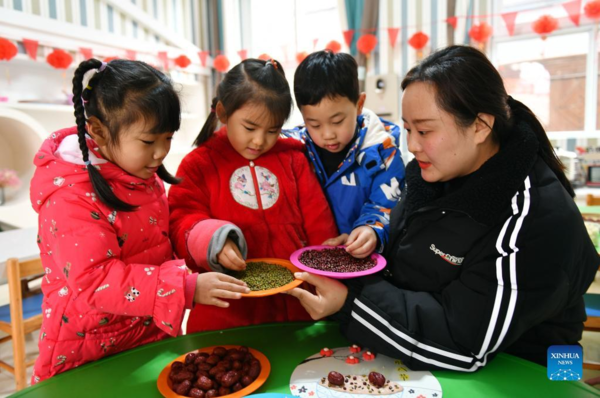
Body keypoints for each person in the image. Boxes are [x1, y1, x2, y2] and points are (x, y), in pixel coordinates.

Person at [286, 45, 599, 370]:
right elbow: (405, 268)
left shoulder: (534, 217)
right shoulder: (432, 174)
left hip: (531, 371)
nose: (412, 145)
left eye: (424, 130)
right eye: (407, 129)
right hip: (417, 353)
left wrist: (351, 303)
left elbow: (467, 344)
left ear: (480, 126)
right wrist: (352, 264)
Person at [30, 59, 248, 383]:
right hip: (85, 355)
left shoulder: (140, 174)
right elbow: (94, 280)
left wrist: (209, 240)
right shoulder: (69, 198)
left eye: (168, 138)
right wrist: (183, 288)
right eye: (149, 141)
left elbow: (160, 240)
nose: (161, 152)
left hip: (147, 342)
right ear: (99, 132)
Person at [168, 58, 338, 333]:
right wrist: (214, 241)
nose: (260, 141)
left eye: (272, 130)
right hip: (227, 311)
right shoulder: (199, 164)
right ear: (222, 112)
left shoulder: (293, 160)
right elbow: (180, 220)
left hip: (295, 307)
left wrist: (328, 278)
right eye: (249, 128)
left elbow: (319, 222)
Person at [285, 51, 406, 258]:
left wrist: (370, 231)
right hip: (310, 259)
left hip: (361, 263)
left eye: (337, 122)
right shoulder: (294, 148)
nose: (327, 134)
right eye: (314, 124)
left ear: (359, 105)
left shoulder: (383, 154)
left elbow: (387, 207)